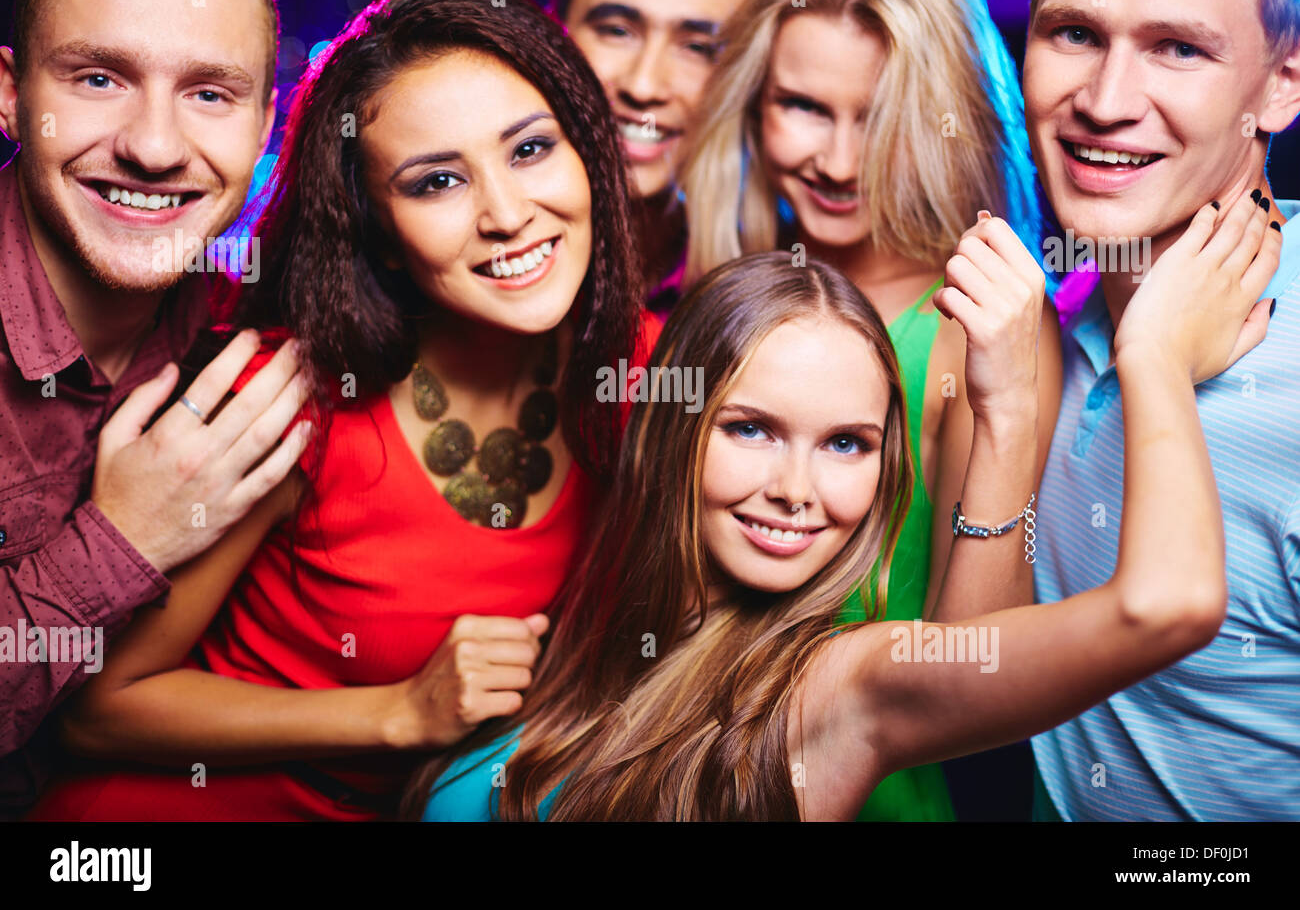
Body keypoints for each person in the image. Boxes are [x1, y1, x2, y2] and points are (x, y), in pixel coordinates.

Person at [410, 192, 1280, 821]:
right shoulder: (576, 640)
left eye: (845, 445)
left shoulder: (838, 688)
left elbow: (1168, 606)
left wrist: (1151, 360)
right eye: (751, 429)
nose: (797, 490)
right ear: (672, 428)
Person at [27, 0, 654, 821]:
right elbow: (100, 713)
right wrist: (397, 713)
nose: (507, 213)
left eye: (531, 149)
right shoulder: (290, 397)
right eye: (437, 182)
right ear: (382, 238)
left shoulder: (654, 368)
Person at [678, 0, 1062, 820]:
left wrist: (1005, 411)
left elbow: (970, 677)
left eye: (882, 118)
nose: (840, 161)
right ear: (753, 102)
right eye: (805, 107)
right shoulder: (734, 281)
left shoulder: (976, 320)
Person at [0, 0, 308, 820]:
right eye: (99, 77)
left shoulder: (246, 329)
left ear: (261, 125)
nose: (157, 147)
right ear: (11, 93)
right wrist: (122, 540)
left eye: (211, 94)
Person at [1022, 0, 1300, 820]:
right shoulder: (1052, 314)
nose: (1106, 100)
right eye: (1074, 34)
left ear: (1282, 85)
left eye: (1178, 48)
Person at [552, 0, 765, 317]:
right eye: (616, 31)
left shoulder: (765, 289)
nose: (643, 86)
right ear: (552, 30)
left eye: (698, 48)